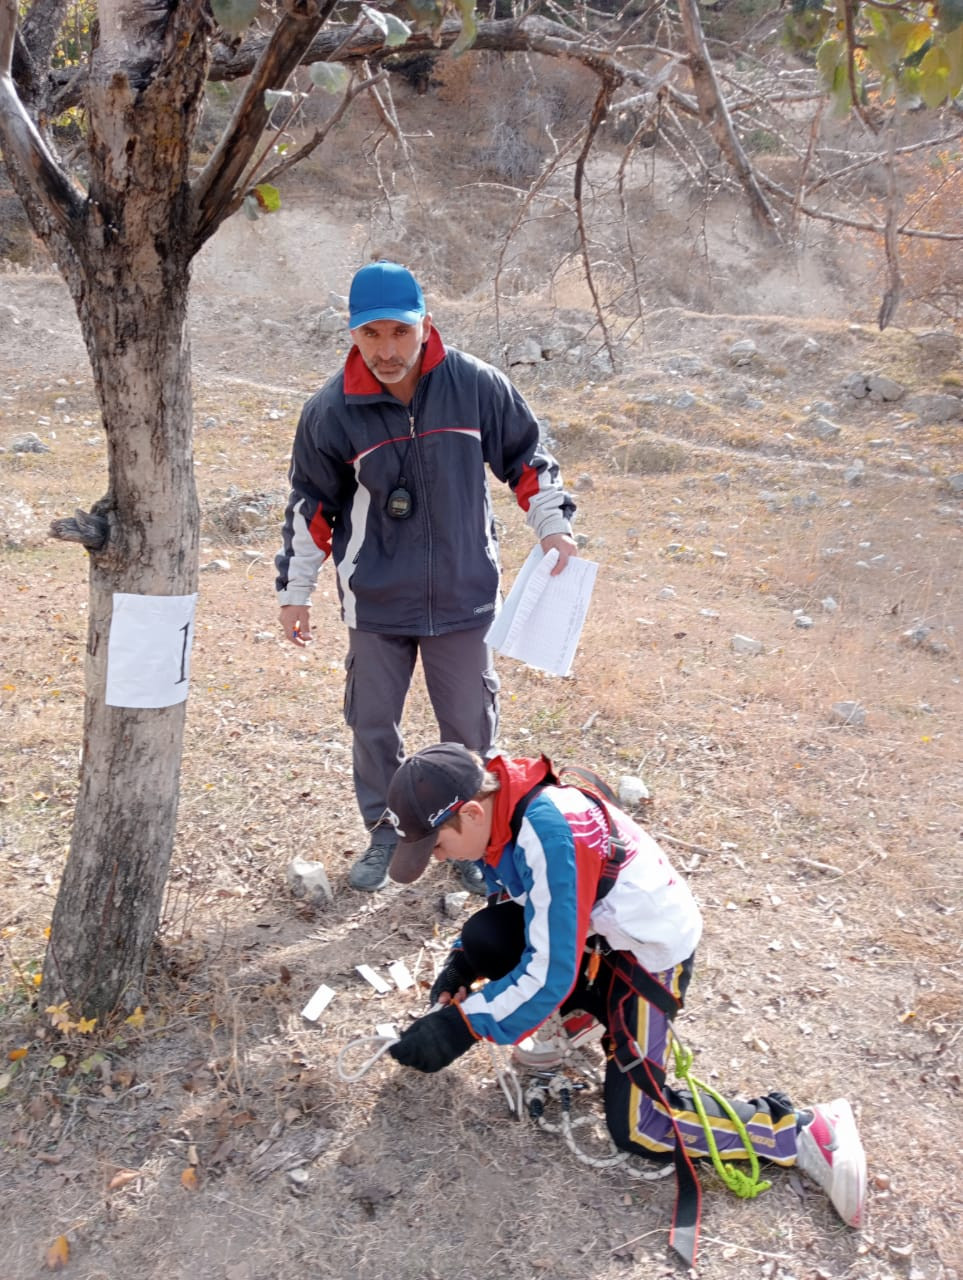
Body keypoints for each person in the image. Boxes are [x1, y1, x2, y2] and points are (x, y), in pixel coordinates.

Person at [383, 743, 867, 1265]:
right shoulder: (505, 803)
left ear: (473, 812)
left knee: (639, 1127)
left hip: (649, 959)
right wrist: (462, 966)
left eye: (436, 846)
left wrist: (463, 1026)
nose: (437, 859)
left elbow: (549, 971)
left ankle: (802, 1130)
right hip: (597, 939)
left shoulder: (549, 829)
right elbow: (516, 900)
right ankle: (582, 1015)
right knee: (483, 938)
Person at [275, 261, 578, 893]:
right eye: (370, 335)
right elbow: (312, 507)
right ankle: (387, 829)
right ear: (353, 334)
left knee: (469, 727)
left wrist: (552, 523)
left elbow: (528, 457)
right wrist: (295, 592)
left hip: (465, 597)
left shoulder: (475, 386)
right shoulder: (332, 412)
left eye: (399, 333)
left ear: (425, 325)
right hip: (377, 603)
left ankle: (469, 839)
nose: (386, 351)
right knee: (373, 724)